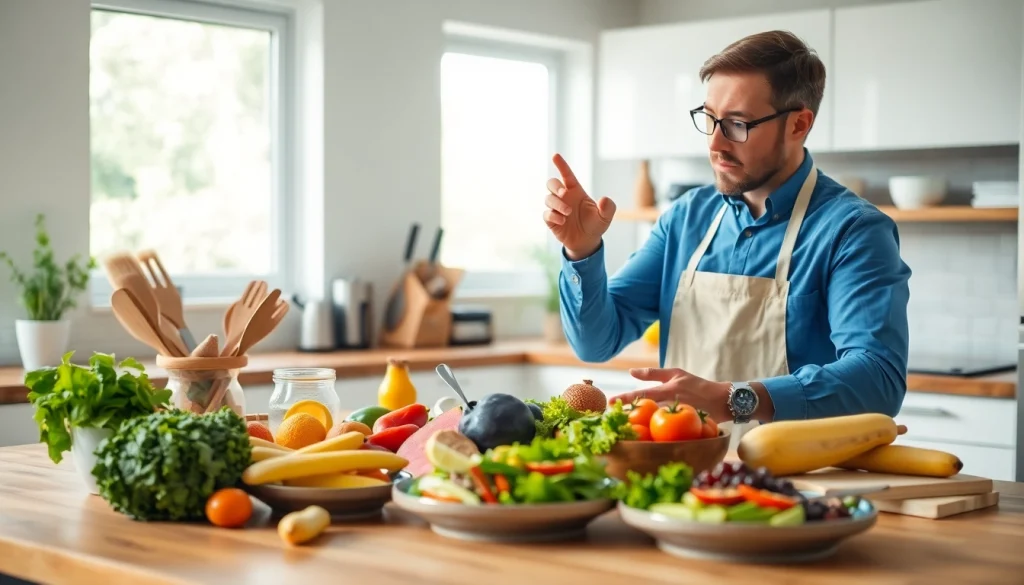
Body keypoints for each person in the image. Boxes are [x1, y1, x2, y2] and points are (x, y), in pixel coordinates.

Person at [543, 30, 911, 445]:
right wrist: (581, 250)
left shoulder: (853, 231)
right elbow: (596, 343)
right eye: (709, 118)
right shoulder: (685, 219)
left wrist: (732, 399)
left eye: (738, 124)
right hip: (682, 469)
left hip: (799, 476)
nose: (715, 144)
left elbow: (879, 379)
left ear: (798, 124)